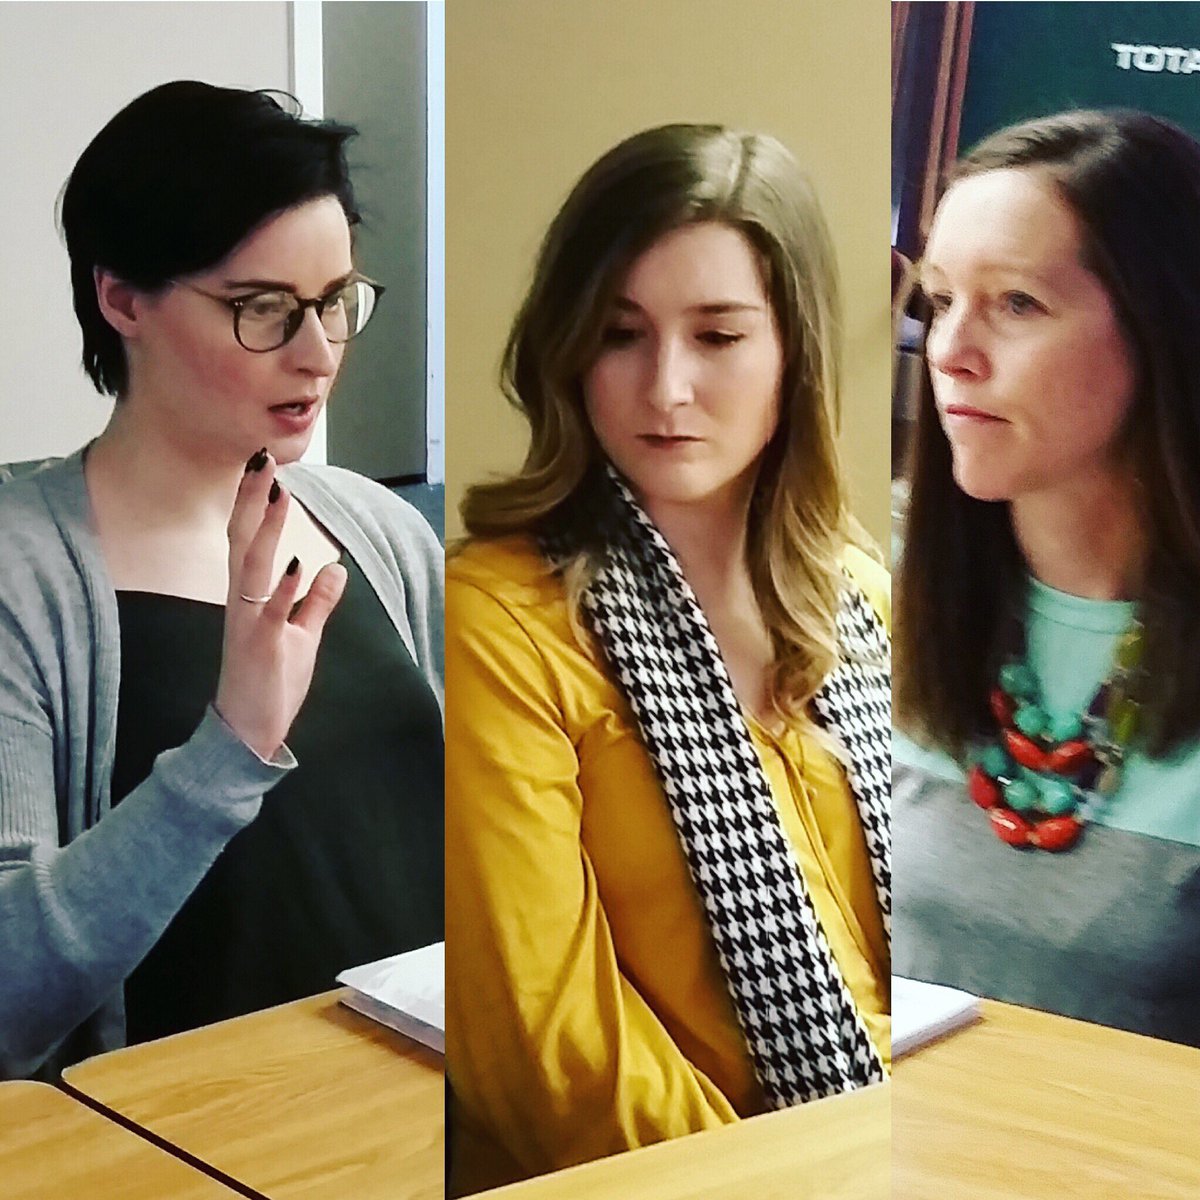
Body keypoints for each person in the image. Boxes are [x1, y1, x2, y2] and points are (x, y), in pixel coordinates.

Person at [445, 124, 891, 1195]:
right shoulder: (500, 620)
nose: (666, 388)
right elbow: (548, 1050)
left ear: (795, 349)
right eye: (621, 334)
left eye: (719, 336)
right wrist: (795, 1178)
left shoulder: (862, 597)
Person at [0, 81, 443, 1081]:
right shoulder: (22, 578)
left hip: (418, 1132)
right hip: (182, 1151)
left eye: (334, 304)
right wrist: (230, 747)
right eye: (262, 310)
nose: (318, 353)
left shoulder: (382, 531)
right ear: (122, 299)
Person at [894, 109, 1200, 1047]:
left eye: (1017, 303)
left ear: (1163, 330)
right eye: (941, 300)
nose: (950, 350)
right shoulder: (871, 606)